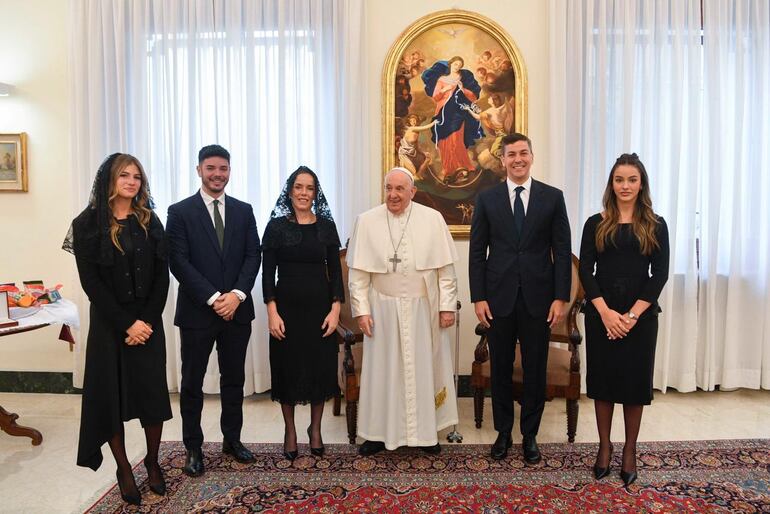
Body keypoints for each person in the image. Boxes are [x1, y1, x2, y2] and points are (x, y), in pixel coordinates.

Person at [63, 153, 171, 506]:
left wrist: (147, 322)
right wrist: (127, 324)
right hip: (111, 327)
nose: (131, 181)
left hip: (148, 324)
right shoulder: (86, 225)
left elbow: (161, 276)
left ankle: (152, 462)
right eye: (124, 175)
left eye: (137, 176)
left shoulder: (150, 221)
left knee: (152, 398)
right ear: (109, 180)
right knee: (111, 400)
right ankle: (123, 468)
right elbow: (91, 283)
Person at [469, 133, 572, 463]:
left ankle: (529, 435)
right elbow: (476, 253)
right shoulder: (486, 199)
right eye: (511, 154)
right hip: (497, 299)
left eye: (523, 153)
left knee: (534, 368)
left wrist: (560, 298)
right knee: (499, 367)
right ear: (502, 160)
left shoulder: (552, 198)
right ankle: (503, 432)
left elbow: (561, 250)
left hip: (539, 299)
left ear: (532, 156)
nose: (517, 159)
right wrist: (478, 297)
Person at [346, 167, 459, 456]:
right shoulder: (367, 221)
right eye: (388, 188)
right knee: (382, 371)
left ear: (412, 191)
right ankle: (375, 433)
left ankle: (426, 433)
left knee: (424, 370)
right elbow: (358, 276)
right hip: (382, 309)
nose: (393, 195)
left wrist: (447, 307)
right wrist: (361, 312)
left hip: (424, 309)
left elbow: (445, 271)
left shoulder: (432, 219)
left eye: (399, 189)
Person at [166, 144, 260, 477]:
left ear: (229, 171)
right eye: (211, 168)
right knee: (191, 383)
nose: (217, 174)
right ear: (199, 170)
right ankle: (193, 447)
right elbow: (178, 261)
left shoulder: (244, 210)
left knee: (233, 380)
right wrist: (212, 297)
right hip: (197, 312)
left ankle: (232, 441)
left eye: (223, 168)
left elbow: (253, 256)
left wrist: (235, 295)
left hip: (237, 312)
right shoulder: (179, 212)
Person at [578, 153, 669, 486]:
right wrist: (604, 312)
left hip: (640, 317)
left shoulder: (656, 224)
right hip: (601, 313)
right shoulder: (595, 223)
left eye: (632, 179)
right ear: (611, 184)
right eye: (619, 179)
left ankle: (629, 450)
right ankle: (604, 446)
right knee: (603, 384)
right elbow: (585, 269)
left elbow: (659, 274)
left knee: (633, 386)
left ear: (641, 183)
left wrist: (631, 316)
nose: (625, 185)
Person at [261, 166, 344, 460]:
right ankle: (291, 431)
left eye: (309, 188)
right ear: (290, 190)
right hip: (286, 311)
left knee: (320, 369)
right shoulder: (276, 227)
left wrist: (336, 310)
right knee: (288, 369)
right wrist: (272, 311)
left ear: (315, 193)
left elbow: (335, 273)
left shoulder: (326, 226)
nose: (304, 193)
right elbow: (267, 274)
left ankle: (315, 429)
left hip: (320, 310)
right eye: (299, 187)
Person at [421, 56, 484, 182]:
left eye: (460, 65)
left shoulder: (463, 79)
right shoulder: (442, 79)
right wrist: (444, 89)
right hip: (444, 112)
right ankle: (448, 169)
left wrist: (463, 89)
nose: (458, 67)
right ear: (450, 65)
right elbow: (436, 97)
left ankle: (461, 166)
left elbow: (472, 97)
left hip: (458, 112)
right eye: (456, 64)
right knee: (444, 141)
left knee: (457, 138)